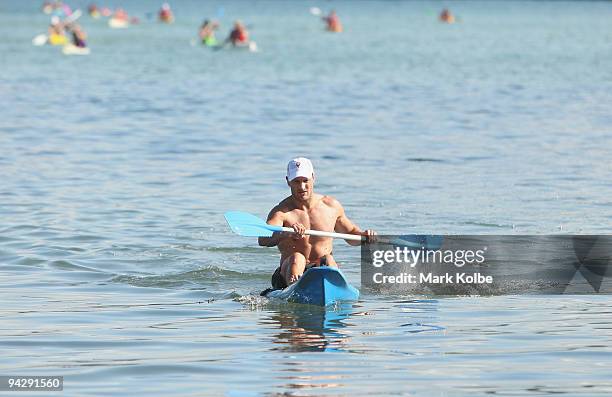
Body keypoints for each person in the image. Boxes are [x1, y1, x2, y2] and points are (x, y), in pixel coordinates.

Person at [259, 157, 376, 289]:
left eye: (305, 180)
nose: (302, 187)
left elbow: (350, 234)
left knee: (328, 259)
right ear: (288, 182)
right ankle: (295, 288)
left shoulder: (331, 206)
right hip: (289, 273)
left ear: (313, 177)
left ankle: (333, 288)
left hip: (321, 269)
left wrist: (364, 237)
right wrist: (287, 233)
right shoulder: (281, 212)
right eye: (296, 182)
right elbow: (263, 239)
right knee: (297, 258)